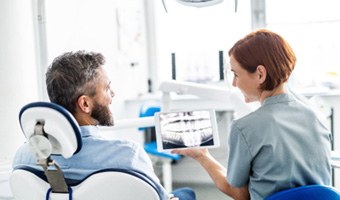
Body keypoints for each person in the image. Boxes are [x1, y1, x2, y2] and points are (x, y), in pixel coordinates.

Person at [12, 50, 196, 200]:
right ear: (85, 104)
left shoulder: (24, 156)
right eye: (107, 88)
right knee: (187, 193)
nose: (113, 94)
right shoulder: (127, 155)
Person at [172, 29, 332, 200]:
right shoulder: (316, 117)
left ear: (260, 74)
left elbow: (239, 194)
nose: (234, 83)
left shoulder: (244, 128)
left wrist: (202, 156)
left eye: (236, 74)